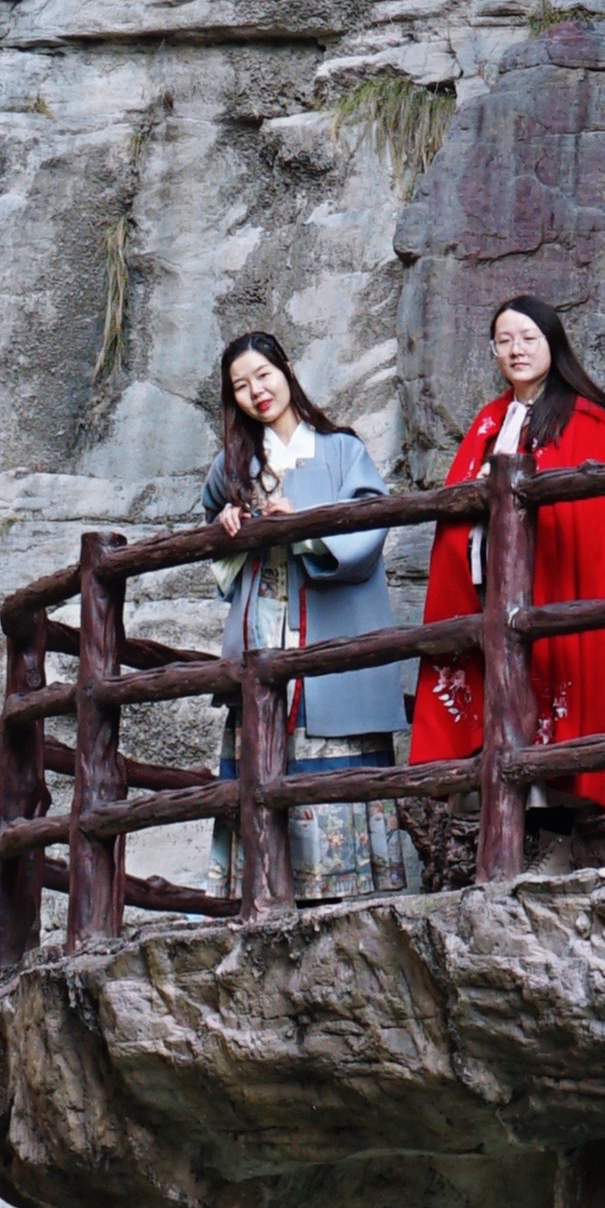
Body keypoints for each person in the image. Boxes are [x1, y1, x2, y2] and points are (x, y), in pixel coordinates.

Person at [406, 296, 605, 835]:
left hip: (552, 582)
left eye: (528, 338)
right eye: (504, 340)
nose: (516, 350)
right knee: (503, 695)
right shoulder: (490, 419)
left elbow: (585, 520)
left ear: (552, 344)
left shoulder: (582, 417)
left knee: (549, 689)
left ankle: (555, 830)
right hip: (489, 586)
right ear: (493, 350)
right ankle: (506, 818)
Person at [199, 331, 416, 902]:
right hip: (263, 631)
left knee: (327, 749)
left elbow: (370, 525)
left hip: (328, 630)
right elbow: (211, 532)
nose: (256, 392)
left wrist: (304, 521)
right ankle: (260, 888)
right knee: (263, 748)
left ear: (286, 370)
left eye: (263, 376)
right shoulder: (232, 465)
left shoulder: (342, 451)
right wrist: (226, 523)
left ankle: (340, 890)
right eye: (241, 386)